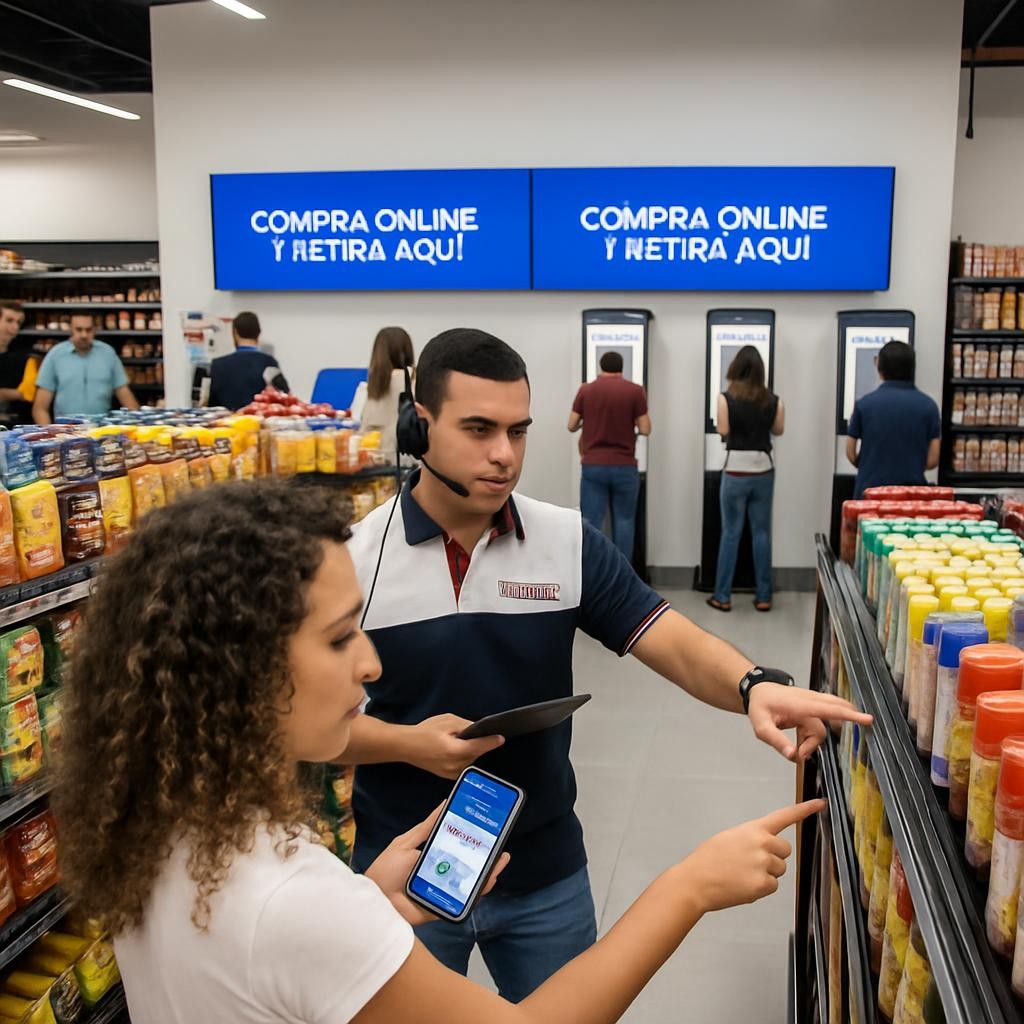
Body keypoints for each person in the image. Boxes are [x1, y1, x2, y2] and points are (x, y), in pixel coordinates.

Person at [53, 478, 827, 1023]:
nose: (372, 664)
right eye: (338, 637)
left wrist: (369, 902)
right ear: (236, 666)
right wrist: (688, 885)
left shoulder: (166, 830)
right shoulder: (292, 902)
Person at [343, 328, 870, 1001]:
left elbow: (667, 634)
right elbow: (306, 729)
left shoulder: (563, 541)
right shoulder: (355, 561)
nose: (504, 455)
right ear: (419, 426)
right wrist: (406, 744)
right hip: (401, 872)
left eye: (518, 431)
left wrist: (752, 685)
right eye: (478, 429)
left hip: (544, 867)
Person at [708, 346, 785, 614]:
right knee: (761, 534)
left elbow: (723, 430)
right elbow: (778, 430)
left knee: (730, 533)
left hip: (736, 470)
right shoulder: (773, 399)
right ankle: (764, 596)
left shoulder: (725, 398)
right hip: (763, 469)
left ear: (736, 368)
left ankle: (722, 596)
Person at [567, 350, 651, 559]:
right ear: (621, 368)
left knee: (591, 522)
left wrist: (590, 420)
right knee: (624, 521)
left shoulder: (586, 390)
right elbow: (646, 428)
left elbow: (571, 425)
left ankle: (592, 578)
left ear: (601, 366)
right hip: (625, 466)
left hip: (593, 465)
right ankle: (622, 580)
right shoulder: (635, 391)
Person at [847, 340, 941, 499]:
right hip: (912, 496)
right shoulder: (929, 406)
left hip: (869, 494)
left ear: (879, 367)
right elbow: (932, 460)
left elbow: (850, 452)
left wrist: (866, 465)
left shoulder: (864, 404)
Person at [32, 312, 139, 424]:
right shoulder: (55, 355)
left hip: (102, 432)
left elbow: (126, 397)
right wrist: (49, 437)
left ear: (95, 330)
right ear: (71, 329)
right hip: (65, 433)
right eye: (79, 329)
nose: (84, 335)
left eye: (88, 330)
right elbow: (40, 408)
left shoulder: (108, 353)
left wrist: (139, 429)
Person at [207, 311, 289, 410]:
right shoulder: (269, 363)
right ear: (259, 332)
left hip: (227, 423)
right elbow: (285, 399)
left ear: (235, 333)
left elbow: (211, 405)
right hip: (259, 422)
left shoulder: (218, 365)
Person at [360, 326, 415, 456]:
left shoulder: (371, 385)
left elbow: (362, 423)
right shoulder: (416, 381)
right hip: (409, 460)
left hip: (374, 457)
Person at [0, 301, 34, 425]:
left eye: (18, 322)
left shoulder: (24, 356)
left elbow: (28, 394)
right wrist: (12, 394)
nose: (15, 327)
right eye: (9, 320)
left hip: (13, 426)